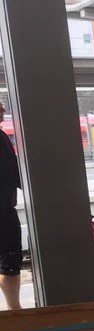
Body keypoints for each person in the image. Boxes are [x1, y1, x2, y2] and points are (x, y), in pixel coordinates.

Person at [0, 102, 21, 310]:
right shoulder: (0, 138)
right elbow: (11, 171)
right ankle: (14, 310)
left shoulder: (2, 135)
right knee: (10, 260)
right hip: (3, 211)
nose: (4, 111)